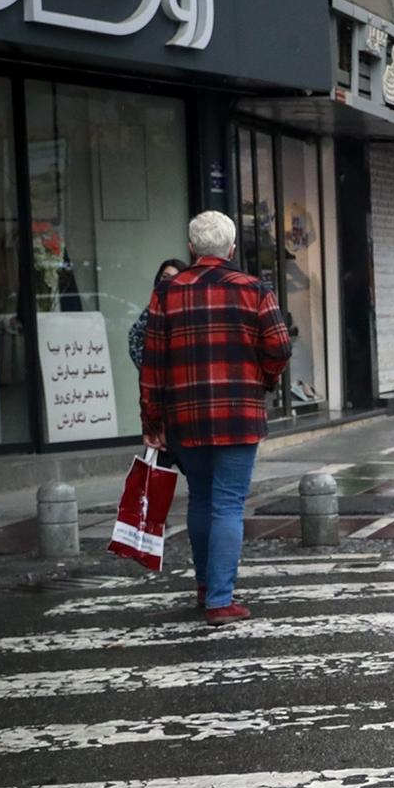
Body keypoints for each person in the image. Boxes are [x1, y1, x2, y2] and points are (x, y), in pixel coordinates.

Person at [139, 211, 292, 625]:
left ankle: (206, 586)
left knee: (202, 499)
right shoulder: (254, 290)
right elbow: (279, 347)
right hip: (238, 415)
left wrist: (152, 421)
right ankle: (220, 601)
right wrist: (262, 379)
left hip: (184, 416)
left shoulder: (166, 293)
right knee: (228, 504)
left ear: (191, 248)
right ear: (232, 248)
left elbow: (152, 363)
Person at [126, 259, 189, 369]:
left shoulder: (189, 309)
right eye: (165, 277)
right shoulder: (153, 308)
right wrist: (149, 368)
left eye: (176, 277)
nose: (169, 281)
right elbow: (135, 338)